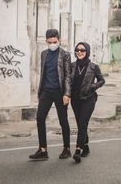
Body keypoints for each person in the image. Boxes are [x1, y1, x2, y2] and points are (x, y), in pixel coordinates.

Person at [29, 29, 72, 161]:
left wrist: (67, 94)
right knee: (40, 118)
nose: (53, 44)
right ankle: (43, 150)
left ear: (59, 41)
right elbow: (43, 73)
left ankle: (67, 149)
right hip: (46, 91)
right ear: (46, 42)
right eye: (50, 42)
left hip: (59, 92)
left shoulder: (65, 55)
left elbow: (68, 76)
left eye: (55, 42)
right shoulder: (43, 54)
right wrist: (39, 91)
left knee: (63, 120)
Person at [71, 42, 105, 163]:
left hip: (89, 99)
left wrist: (93, 86)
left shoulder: (93, 67)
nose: (79, 52)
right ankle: (85, 146)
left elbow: (102, 80)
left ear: (87, 52)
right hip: (75, 100)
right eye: (77, 49)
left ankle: (78, 150)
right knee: (80, 124)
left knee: (83, 124)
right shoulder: (72, 66)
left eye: (82, 50)